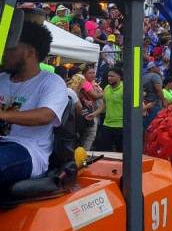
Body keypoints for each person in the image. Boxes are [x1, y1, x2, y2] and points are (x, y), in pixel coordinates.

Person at [0, 21, 68, 184]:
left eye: (9, 48)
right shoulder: (2, 79)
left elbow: (47, 115)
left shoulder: (51, 82)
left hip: (28, 150)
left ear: (30, 52)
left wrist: (2, 114)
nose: (3, 53)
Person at [88, 66, 124, 153]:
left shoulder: (124, 89)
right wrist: (95, 113)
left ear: (119, 77)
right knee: (103, 150)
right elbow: (104, 103)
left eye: (112, 76)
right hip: (107, 124)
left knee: (121, 152)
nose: (109, 78)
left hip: (121, 126)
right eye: (108, 76)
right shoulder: (107, 88)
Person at [78, 65, 104, 152]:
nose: (93, 75)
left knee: (87, 134)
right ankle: (85, 153)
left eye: (93, 73)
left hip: (92, 109)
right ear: (84, 74)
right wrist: (107, 92)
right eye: (90, 73)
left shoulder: (92, 83)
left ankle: (82, 153)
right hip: (89, 110)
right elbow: (95, 96)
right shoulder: (86, 84)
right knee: (91, 134)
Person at [142, 60, 167, 129]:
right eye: (157, 67)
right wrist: (164, 101)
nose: (159, 68)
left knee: (145, 126)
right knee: (153, 127)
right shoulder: (155, 76)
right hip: (154, 104)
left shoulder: (144, 76)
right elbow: (158, 89)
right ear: (152, 68)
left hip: (145, 104)